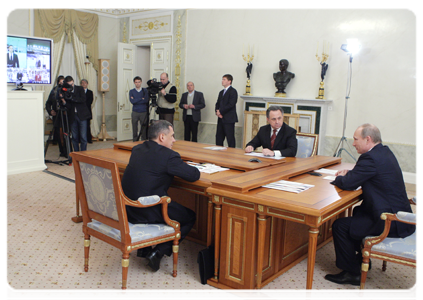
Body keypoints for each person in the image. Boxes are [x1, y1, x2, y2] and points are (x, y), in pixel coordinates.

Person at [325, 124, 416, 286]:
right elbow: (364, 173)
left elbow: (348, 183)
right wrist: (350, 174)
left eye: (355, 139)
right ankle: (361, 260)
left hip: (390, 221)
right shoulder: (383, 152)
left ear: (368, 139)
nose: (353, 143)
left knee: (340, 226)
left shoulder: (370, 158)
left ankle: (352, 273)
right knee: (358, 213)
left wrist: (339, 177)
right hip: (400, 216)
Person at [121, 120, 200, 272]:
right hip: (147, 209)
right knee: (189, 216)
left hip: (128, 209)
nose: (174, 140)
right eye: (172, 136)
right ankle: (158, 252)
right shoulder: (169, 156)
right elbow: (193, 175)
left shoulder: (137, 149)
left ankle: (144, 249)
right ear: (162, 137)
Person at [58, 75, 90, 152]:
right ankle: (76, 153)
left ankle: (83, 153)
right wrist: (63, 100)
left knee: (83, 136)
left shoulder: (79, 88)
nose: (71, 86)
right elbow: (68, 106)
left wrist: (72, 98)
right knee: (74, 137)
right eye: (69, 84)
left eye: (72, 84)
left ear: (73, 82)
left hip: (82, 115)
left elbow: (83, 99)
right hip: (72, 116)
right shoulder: (65, 91)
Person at [45, 75, 67, 157]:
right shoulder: (54, 91)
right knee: (58, 134)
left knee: (66, 133)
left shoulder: (67, 90)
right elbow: (48, 103)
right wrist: (50, 111)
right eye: (60, 82)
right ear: (58, 82)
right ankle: (62, 151)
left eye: (63, 82)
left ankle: (67, 151)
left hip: (65, 115)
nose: (62, 84)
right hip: (57, 115)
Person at [215, 74, 238, 148]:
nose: (222, 81)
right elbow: (217, 103)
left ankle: (231, 155)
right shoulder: (221, 92)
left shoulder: (233, 91)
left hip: (229, 119)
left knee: (230, 138)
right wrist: (217, 111)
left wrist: (221, 111)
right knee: (219, 137)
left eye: (224, 79)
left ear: (229, 81)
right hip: (220, 118)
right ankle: (219, 153)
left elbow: (231, 104)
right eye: (222, 79)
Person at [129, 76, 149, 141]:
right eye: (136, 82)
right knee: (134, 127)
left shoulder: (145, 90)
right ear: (134, 83)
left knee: (143, 127)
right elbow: (132, 101)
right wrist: (141, 99)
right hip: (135, 111)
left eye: (139, 82)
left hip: (143, 111)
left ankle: (143, 140)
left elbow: (146, 100)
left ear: (141, 82)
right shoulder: (131, 91)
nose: (137, 83)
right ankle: (135, 140)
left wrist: (136, 100)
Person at [80, 79, 94, 143]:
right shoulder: (79, 92)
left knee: (87, 126)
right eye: (82, 83)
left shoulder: (90, 92)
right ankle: (80, 139)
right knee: (80, 126)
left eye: (85, 83)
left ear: (87, 84)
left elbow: (90, 101)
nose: (83, 84)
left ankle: (89, 139)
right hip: (80, 112)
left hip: (87, 111)